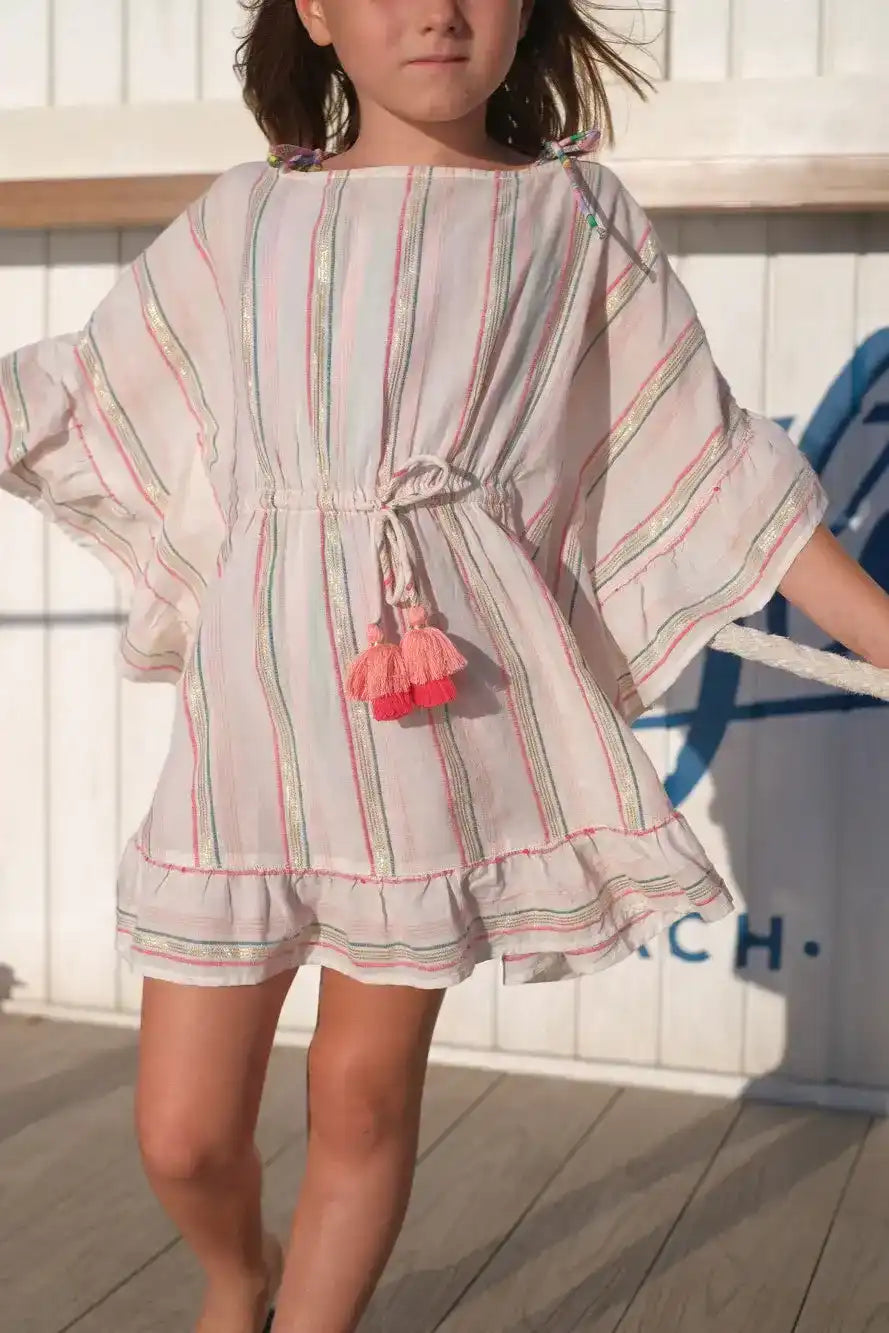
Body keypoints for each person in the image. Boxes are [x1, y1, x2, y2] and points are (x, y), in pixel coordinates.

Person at [3, 1, 889, 1329]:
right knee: (182, 1133)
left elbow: (705, 463)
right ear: (314, 9)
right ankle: (235, 1277)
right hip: (259, 727)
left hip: (440, 724)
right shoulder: (244, 218)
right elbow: (94, 388)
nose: (435, 10)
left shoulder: (572, 218)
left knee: (360, 1094)